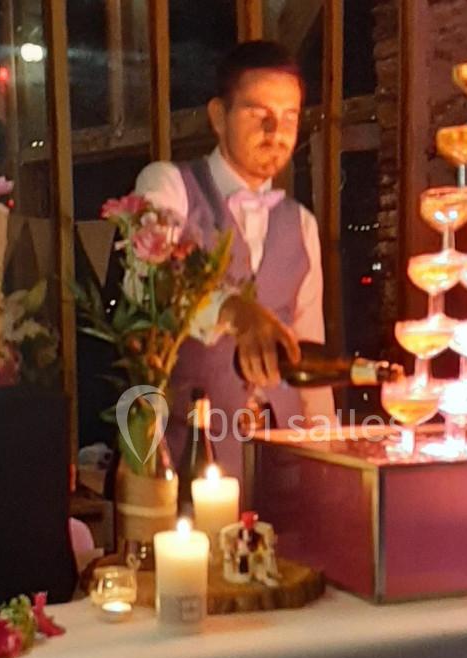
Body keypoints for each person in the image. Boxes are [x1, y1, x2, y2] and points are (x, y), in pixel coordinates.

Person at [132, 40, 334, 480]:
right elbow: (150, 278)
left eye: (289, 117)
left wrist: (331, 470)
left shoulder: (300, 223)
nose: (274, 129)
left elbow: (310, 359)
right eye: (256, 112)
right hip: (189, 452)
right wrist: (233, 311)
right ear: (219, 116)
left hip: (280, 466)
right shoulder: (168, 185)